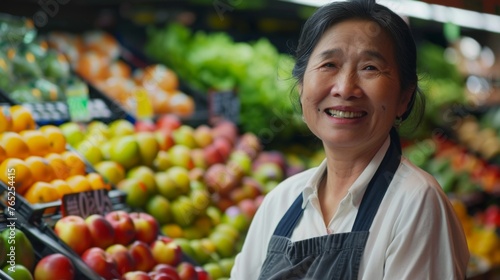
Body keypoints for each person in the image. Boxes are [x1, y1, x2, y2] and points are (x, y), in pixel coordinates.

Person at [230, 0, 470, 279]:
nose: (345, 89)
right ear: (301, 87)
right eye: (329, 64)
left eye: (370, 67)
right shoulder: (281, 201)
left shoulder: (416, 203)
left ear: (404, 97)